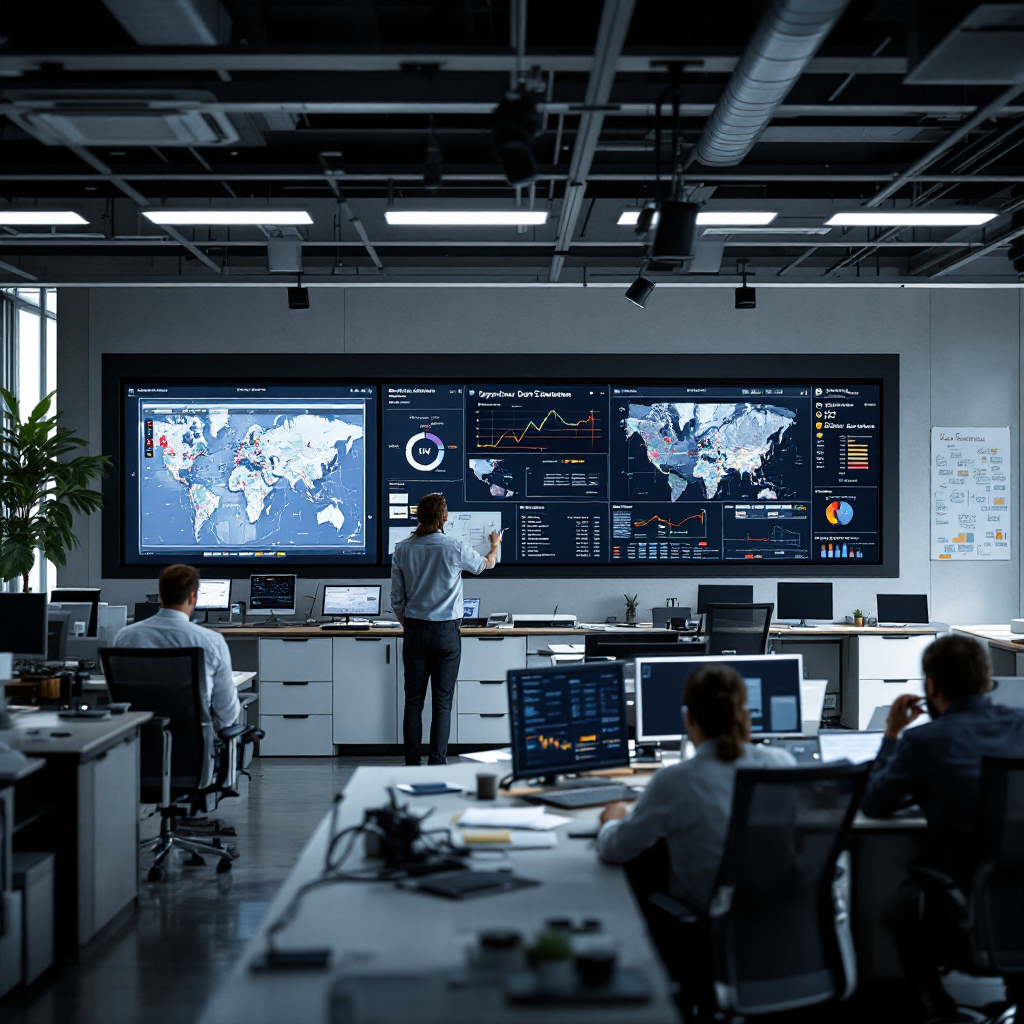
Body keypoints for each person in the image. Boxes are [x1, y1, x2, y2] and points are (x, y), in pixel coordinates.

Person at [861, 633, 1024, 1022]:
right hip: (1019, 897)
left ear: (930, 687)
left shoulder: (924, 741)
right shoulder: (1020, 726)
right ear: (986, 682)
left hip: (966, 912)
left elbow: (876, 803)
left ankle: (938, 1011)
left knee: (898, 908)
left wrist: (891, 736)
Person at [596, 664, 795, 911]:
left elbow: (616, 849)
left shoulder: (675, 780)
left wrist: (610, 821)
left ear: (689, 718)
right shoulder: (782, 764)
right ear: (745, 714)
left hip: (708, 921)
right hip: (778, 916)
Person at [391, 493, 501, 765]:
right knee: (442, 702)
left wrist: (409, 624)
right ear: (445, 517)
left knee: (413, 702)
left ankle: (411, 761)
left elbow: (396, 599)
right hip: (446, 634)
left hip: (415, 632)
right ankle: (437, 762)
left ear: (418, 517)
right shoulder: (453, 546)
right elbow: (483, 565)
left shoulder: (402, 549)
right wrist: (494, 546)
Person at [114, 564, 241, 731]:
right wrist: (208, 734)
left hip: (137, 742)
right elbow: (227, 712)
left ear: (160, 595)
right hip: (191, 744)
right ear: (193, 597)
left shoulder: (126, 636)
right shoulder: (211, 641)